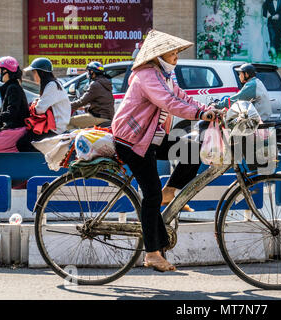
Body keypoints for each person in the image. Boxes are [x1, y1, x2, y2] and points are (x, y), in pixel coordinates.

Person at [112, 30, 217, 272]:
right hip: (132, 141)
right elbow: (168, 102)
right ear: (158, 55)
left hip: (150, 138)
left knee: (191, 149)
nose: (176, 56)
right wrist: (199, 115)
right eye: (172, 52)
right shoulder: (147, 75)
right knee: (150, 196)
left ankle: (170, 190)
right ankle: (152, 253)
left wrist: (207, 109)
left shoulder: (164, 76)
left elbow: (183, 97)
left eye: (177, 52)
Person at [17, 58, 71, 152]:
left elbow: (39, 109)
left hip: (55, 129)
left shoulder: (52, 86)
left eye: (34, 72)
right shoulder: (53, 84)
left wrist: (33, 105)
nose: (33, 75)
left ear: (41, 73)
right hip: (56, 127)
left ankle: (36, 165)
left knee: (22, 143)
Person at [68, 61, 115, 129]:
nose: (87, 73)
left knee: (69, 122)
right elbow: (101, 104)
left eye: (88, 71)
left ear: (92, 72)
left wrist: (67, 105)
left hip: (99, 117)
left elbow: (82, 101)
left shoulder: (95, 84)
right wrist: (85, 108)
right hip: (107, 117)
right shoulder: (105, 83)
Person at [0, 56, 30, 152]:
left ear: (7, 71)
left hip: (15, 130)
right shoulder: (11, 86)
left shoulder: (13, 88)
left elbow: (11, 113)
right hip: (13, 129)